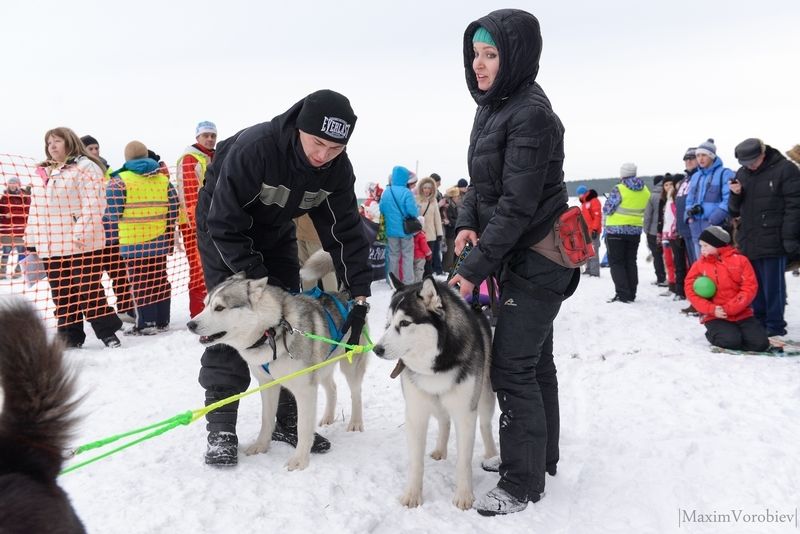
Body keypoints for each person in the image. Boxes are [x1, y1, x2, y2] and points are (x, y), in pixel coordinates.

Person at [195, 89, 372, 466]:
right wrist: (256, 283)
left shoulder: (337, 170)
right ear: (299, 130)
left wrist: (359, 296)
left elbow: (345, 233)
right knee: (235, 321)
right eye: (317, 143)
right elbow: (224, 222)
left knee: (290, 319)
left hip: (276, 231)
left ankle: (287, 420)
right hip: (223, 229)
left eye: (335, 148)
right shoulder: (256, 149)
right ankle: (222, 426)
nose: (323, 155)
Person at [449, 10, 578, 515]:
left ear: (517, 56)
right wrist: (463, 219)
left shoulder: (530, 114)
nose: (478, 65)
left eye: (491, 54)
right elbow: (481, 187)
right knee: (535, 360)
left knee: (512, 366)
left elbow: (518, 204)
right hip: (518, 252)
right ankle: (540, 456)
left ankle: (520, 482)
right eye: (475, 54)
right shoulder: (494, 107)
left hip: (542, 255)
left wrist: (474, 267)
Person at [25, 127, 122, 348]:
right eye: (49, 142)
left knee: (88, 289)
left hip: (80, 243)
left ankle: (108, 332)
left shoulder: (85, 167)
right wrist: (31, 239)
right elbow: (35, 209)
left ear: (69, 142)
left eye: (57, 141)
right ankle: (70, 336)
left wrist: (80, 231)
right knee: (61, 292)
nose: (52, 146)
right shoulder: (42, 173)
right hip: (50, 244)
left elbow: (95, 204)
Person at [728, 138, 800, 337]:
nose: (749, 166)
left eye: (752, 161)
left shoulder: (786, 169)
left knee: (773, 286)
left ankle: (775, 325)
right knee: (753, 284)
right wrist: (735, 194)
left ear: (763, 154)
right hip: (750, 238)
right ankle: (758, 322)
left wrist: (790, 238)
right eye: (745, 163)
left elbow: (795, 207)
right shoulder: (742, 173)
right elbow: (734, 209)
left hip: (775, 237)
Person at [106, 141, 179, 335]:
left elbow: (112, 214)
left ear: (127, 158)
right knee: (160, 279)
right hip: (159, 240)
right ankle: (163, 321)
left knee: (140, 282)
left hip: (133, 242)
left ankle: (146, 324)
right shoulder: (163, 180)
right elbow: (174, 208)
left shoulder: (119, 181)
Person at [685, 226, 771, 352]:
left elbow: (749, 287)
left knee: (760, 344)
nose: (701, 249)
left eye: (705, 246)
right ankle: (715, 334)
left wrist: (730, 308)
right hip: (714, 315)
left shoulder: (741, 261)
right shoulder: (699, 265)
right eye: (701, 246)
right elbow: (690, 290)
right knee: (730, 342)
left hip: (741, 313)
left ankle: (740, 333)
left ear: (718, 245)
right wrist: (711, 309)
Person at [86, 135, 136, 324]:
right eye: (90, 149)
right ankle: (98, 315)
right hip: (92, 237)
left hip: (113, 235)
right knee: (92, 280)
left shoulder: (110, 172)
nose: (95, 152)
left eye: (96, 148)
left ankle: (125, 308)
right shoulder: (80, 171)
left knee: (120, 275)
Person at [177, 121, 217, 318]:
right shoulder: (190, 159)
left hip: (214, 221)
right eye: (206, 135)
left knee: (213, 268)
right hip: (196, 224)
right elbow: (190, 195)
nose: (210, 139)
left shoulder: (214, 156)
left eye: (213, 135)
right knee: (199, 270)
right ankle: (198, 314)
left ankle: (213, 312)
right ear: (197, 138)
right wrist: (198, 224)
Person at [603, 163, 650, 303]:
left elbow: (607, 209)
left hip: (615, 230)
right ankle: (632, 293)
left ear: (622, 174)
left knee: (617, 262)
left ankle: (622, 294)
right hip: (635, 230)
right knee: (631, 261)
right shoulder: (645, 190)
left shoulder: (619, 189)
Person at [685, 138, 734, 260]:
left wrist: (714, 219)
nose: (700, 159)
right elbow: (689, 200)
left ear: (712, 156)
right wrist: (689, 216)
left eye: (704, 155)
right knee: (701, 266)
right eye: (698, 155)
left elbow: (728, 199)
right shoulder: (695, 176)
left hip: (716, 228)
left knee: (719, 265)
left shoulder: (725, 173)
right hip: (696, 227)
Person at [379, 165, 419, 284]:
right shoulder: (407, 192)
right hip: (405, 230)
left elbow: (382, 209)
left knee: (393, 256)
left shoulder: (387, 192)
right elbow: (412, 212)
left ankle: (393, 282)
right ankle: (408, 281)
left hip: (391, 231)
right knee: (407, 256)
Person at [0, 176, 30, 279]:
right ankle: (2, 272)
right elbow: (1, 211)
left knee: (21, 251)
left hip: (21, 230)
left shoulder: (25, 197)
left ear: (18, 184)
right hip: (8, 230)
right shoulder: (4, 197)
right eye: (10, 183)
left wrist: (12, 213)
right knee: (6, 251)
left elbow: (27, 211)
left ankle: (18, 271)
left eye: (14, 183)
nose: (12, 185)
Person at [416, 175, 444, 275]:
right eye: (425, 188)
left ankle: (428, 276)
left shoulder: (434, 201)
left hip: (431, 234)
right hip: (419, 234)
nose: (427, 190)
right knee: (419, 258)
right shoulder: (417, 199)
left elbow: (437, 217)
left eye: (429, 188)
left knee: (429, 258)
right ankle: (420, 277)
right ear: (421, 188)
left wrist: (439, 233)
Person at [643, 175, 666, 286]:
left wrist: (646, 230)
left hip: (653, 231)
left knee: (657, 255)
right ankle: (671, 278)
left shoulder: (652, 196)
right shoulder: (669, 192)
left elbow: (648, 215)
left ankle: (661, 278)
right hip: (667, 231)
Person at [577, 185, 602, 277]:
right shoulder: (584, 204)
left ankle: (594, 272)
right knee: (587, 251)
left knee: (594, 251)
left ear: (584, 193)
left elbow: (597, 216)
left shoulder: (594, 201)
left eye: (579, 194)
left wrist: (595, 229)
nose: (579, 196)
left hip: (593, 232)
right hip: (585, 232)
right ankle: (588, 269)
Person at [442, 180, 466, 272]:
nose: (458, 198)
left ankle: (451, 267)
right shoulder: (450, 207)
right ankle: (447, 268)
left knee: (453, 251)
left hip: (453, 231)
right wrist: (458, 222)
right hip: (450, 232)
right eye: (456, 196)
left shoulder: (453, 205)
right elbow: (450, 219)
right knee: (450, 252)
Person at [412, 216, 432, 282]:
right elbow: (424, 246)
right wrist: (429, 253)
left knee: (413, 269)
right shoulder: (421, 235)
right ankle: (418, 281)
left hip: (412, 255)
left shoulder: (411, 234)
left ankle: (413, 280)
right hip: (420, 257)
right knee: (419, 269)